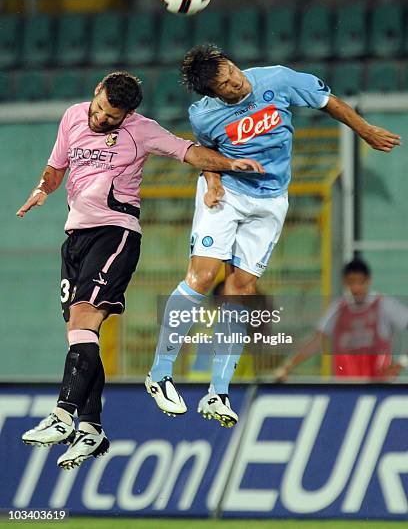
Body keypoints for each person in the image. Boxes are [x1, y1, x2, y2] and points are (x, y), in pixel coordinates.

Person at [17, 71, 263, 470]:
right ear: (96, 92)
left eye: (111, 118)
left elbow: (189, 152)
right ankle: (91, 427)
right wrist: (43, 189)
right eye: (99, 110)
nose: (101, 120)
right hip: (75, 239)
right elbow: (56, 166)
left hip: (114, 232)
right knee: (82, 335)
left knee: (83, 319)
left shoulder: (142, 131)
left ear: (127, 114)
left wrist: (230, 164)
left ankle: (63, 416)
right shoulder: (72, 116)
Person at [146, 44, 401, 427]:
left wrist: (364, 130)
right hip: (227, 194)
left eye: (231, 70)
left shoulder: (276, 78)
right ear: (213, 93)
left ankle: (218, 393)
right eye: (226, 85)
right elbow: (206, 152)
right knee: (202, 278)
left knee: (241, 289)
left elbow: (327, 100)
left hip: (270, 200)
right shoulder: (204, 115)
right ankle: (160, 372)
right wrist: (213, 181)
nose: (235, 81)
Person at [274, 258, 408, 381]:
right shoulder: (338, 308)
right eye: (351, 282)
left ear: (369, 280)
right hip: (346, 386)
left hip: (379, 386)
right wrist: (288, 366)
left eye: (360, 282)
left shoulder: (383, 305)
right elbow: (316, 341)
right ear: (345, 282)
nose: (356, 288)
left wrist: (400, 365)